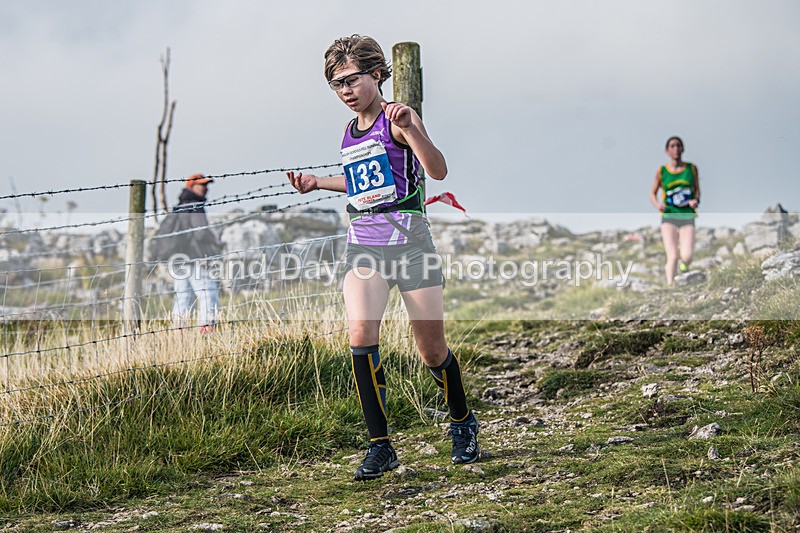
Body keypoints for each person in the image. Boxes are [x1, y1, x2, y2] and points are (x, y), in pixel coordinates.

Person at [286, 35, 480, 480]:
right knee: (360, 336)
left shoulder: (396, 119)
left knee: (431, 351)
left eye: (352, 80)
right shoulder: (348, 131)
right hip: (365, 246)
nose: (346, 91)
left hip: (411, 246)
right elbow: (363, 183)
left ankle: (461, 422)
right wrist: (318, 183)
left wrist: (412, 127)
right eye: (337, 85)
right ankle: (381, 447)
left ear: (376, 74)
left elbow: (437, 170)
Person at [155, 173, 222, 333]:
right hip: (195, 257)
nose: (205, 189)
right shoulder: (195, 206)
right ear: (191, 186)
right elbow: (200, 233)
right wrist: (215, 239)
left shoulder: (180, 206)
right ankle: (207, 328)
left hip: (179, 259)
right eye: (201, 185)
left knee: (183, 296)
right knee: (207, 292)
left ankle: (179, 331)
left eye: (206, 185)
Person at [650, 136, 701, 285]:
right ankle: (670, 286)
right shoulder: (662, 171)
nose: (676, 149)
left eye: (678, 146)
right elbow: (652, 193)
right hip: (669, 216)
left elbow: (697, 189)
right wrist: (658, 204)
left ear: (683, 149)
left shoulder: (691, 169)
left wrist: (695, 200)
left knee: (686, 256)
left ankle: (684, 267)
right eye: (672, 146)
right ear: (667, 150)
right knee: (672, 256)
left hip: (687, 216)